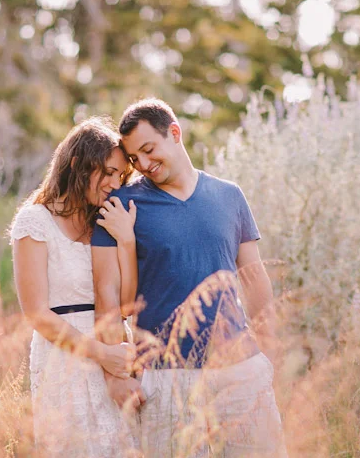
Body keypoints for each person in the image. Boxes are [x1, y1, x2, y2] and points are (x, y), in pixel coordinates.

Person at [91, 98, 287, 457]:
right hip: (166, 378)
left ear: (175, 133)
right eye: (135, 159)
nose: (144, 165)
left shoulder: (229, 196)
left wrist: (268, 353)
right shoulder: (122, 205)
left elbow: (254, 277)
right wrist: (114, 376)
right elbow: (107, 294)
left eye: (149, 150)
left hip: (240, 369)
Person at [10, 116, 142, 456]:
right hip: (63, 359)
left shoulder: (105, 220)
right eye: (107, 172)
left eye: (121, 175)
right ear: (77, 164)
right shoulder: (35, 221)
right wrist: (103, 357)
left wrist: (126, 239)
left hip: (114, 347)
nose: (115, 183)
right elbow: (37, 313)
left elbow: (125, 301)